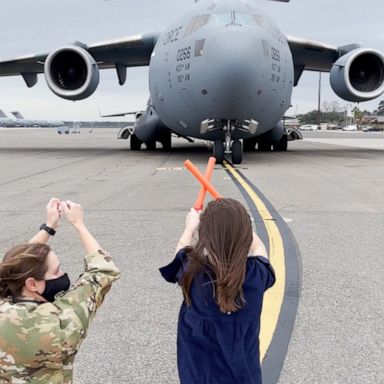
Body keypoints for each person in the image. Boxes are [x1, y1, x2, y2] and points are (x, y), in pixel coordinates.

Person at [0, 198, 120, 383]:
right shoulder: (63, 320)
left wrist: (49, 227)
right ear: (32, 284)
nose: (62, 274)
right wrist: (78, 224)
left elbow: (8, 270)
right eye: (56, 271)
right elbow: (103, 270)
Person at [160, 198, 276, 384]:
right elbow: (260, 248)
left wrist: (190, 227)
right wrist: (244, 230)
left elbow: (180, 252)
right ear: (246, 237)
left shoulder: (193, 273)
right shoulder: (257, 275)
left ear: (204, 238)